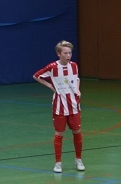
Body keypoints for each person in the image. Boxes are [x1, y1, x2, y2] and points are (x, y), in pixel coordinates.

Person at [33, 40, 84, 173]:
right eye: (65, 53)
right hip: (59, 106)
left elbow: (76, 78)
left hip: (74, 105)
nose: (68, 55)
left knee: (77, 132)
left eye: (70, 53)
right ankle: (58, 163)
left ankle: (78, 159)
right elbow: (36, 76)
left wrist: (77, 89)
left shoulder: (74, 65)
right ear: (58, 54)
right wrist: (50, 86)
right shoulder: (52, 67)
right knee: (59, 134)